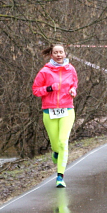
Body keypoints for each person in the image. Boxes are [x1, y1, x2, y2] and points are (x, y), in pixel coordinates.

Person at [32, 44, 78, 188]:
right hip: (49, 111)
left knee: (63, 142)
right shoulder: (45, 71)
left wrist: (73, 91)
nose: (59, 55)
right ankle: (56, 153)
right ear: (51, 55)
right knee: (55, 145)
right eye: (56, 52)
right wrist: (49, 88)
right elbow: (36, 90)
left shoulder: (71, 69)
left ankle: (60, 177)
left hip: (67, 110)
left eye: (61, 52)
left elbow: (74, 84)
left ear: (65, 54)